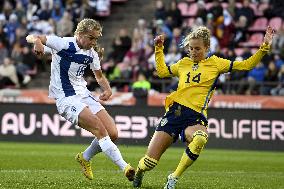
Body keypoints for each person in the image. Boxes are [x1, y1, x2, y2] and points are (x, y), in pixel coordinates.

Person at [133, 25, 274, 189]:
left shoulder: (216, 63)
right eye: (191, 48)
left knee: (200, 138)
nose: (193, 52)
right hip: (174, 113)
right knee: (149, 162)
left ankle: (173, 178)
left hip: (195, 117)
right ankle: (139, 171)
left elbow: (246, 65)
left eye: (197, 49)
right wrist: (158, 49)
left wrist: (264, 48)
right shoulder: (183, 63)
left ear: (207, 47)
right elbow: (163, 72)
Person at [26, 18, 135, 182]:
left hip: (84, 94)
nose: (94, 42)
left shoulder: (92, 53)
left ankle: (84, 157)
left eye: (96, 39)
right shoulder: (63, 44)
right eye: (91, 38)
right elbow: (32, 36)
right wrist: (37, 42)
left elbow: (99, 76)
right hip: (66, 98)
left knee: (112, 133)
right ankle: (125, 167)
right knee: (99, 129)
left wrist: (107, 89)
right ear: (79, 34)